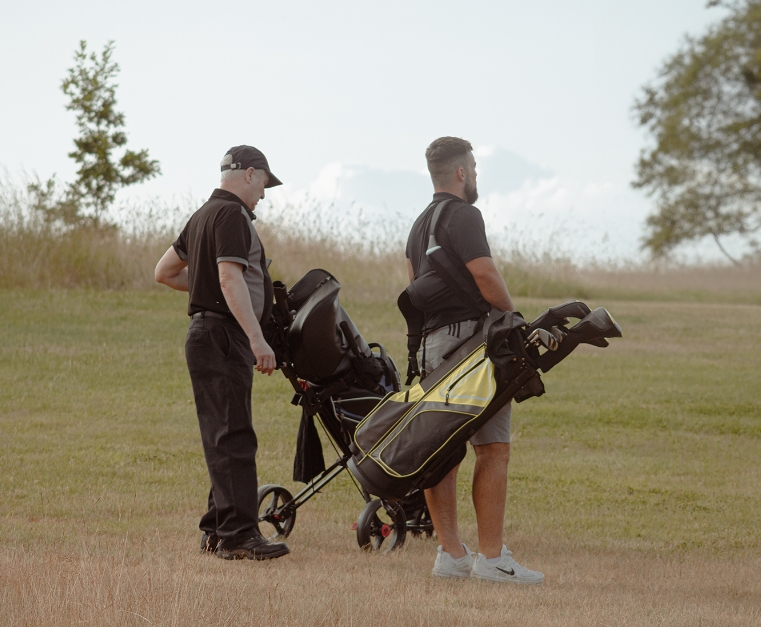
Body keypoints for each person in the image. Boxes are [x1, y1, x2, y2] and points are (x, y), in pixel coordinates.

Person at [405, 136, 544, 584]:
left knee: (439, 448)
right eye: (475, 168)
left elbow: (415, 290)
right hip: (471, 345)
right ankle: (491, 559)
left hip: (431, 346)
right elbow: (484, 273)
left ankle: (451, 554)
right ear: (461, 173)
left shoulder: (418, 224)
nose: (477, 175)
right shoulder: (465, 215)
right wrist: (513, 319)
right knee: (493, 447)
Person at [154, 145, 289, 560]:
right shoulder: (232, 215)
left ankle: (216, 531)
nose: (265, 193)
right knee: (234, 436)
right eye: (265, 182)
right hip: (223, 336)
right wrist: (256, 338)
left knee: (224, 434)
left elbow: (163, 272)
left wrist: (204, 290)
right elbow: (230, 279)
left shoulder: (202, 215)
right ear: (249, 174)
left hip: (206, 334)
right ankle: (238, 537)